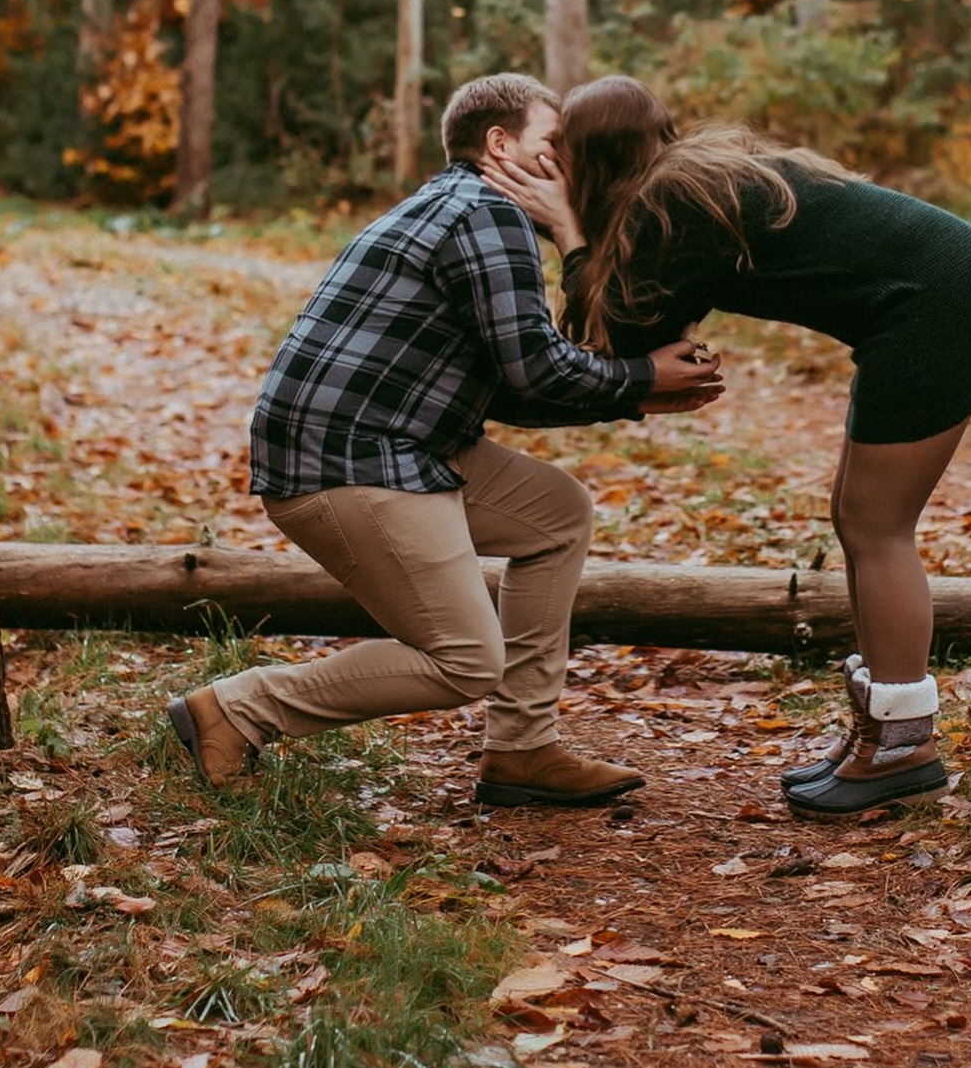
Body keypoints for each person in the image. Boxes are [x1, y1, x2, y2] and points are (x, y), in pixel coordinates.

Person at [167, 73, 723, 808]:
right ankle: (237, 710)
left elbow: (510, 386)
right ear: (500, 143)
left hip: (398, 444)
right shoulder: (485, 213)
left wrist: (638, 393)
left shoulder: (456, 206)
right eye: (553, 143)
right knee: (465, 660)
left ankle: (523, 749)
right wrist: (637, 372)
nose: (568, 163)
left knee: (555, 514)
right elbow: (535, 364)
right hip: (351, 461)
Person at [480, 75, 971, 819]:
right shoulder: (691, 179)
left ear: (593, 162)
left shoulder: (668, 205)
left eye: (561, 159)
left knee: (877, 527)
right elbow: (647, 326)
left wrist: (570, 233)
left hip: (945, 307)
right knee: (857, 519)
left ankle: (903, 751)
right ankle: (881, 734)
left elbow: (624, 336)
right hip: (951, 292)